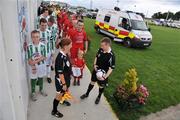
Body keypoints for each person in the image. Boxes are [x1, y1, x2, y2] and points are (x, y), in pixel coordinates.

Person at [80, 37, 115, 104]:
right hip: (96, 70)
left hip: (103, 75)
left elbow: (111, 68)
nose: (101, 47)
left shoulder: (111, 56)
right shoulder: (100, 49)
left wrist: (104, 77)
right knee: (92, 82)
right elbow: (96, 57)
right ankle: (87, 94)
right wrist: (94, 65)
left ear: (107, 45)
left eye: (102, 45)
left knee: (101, 86)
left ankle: (99, 97)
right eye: (101, 45)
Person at [52, 38, 72, 118]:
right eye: (70, 44)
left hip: (66, 78)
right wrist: (64, 84)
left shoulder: (65, 53)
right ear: (65, 46)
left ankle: (62, 100)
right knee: (58, 96)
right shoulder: (60, 58)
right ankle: (54, 111)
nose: (71, 45)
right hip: (61, 81)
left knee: (65, 91)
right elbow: (60, 73)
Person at [27, 30, 47, 101]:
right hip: (33, 67)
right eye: (33, 37)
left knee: (40, 77)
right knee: (33, 78)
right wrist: (31, 63)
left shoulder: (43, 45)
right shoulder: (29, 46)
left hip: (41, 65)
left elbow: (44, 56)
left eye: (37, 37)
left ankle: (41, 89)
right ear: (31, 37)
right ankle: (33, 92)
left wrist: (36, 61)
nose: (35, 38)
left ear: (39, 37)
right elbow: (29, 58)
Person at [38, 18, 52, 83]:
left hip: (48, 51)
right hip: (39, 53)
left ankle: (48, 76)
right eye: (42, 25)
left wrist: (52, 52)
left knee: (48, 65)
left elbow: (52, 42)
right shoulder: (37, 32)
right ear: (39, 24)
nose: (44, 27)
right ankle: (39, 78)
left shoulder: (49, 32)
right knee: (39, 65)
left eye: (45, 25)